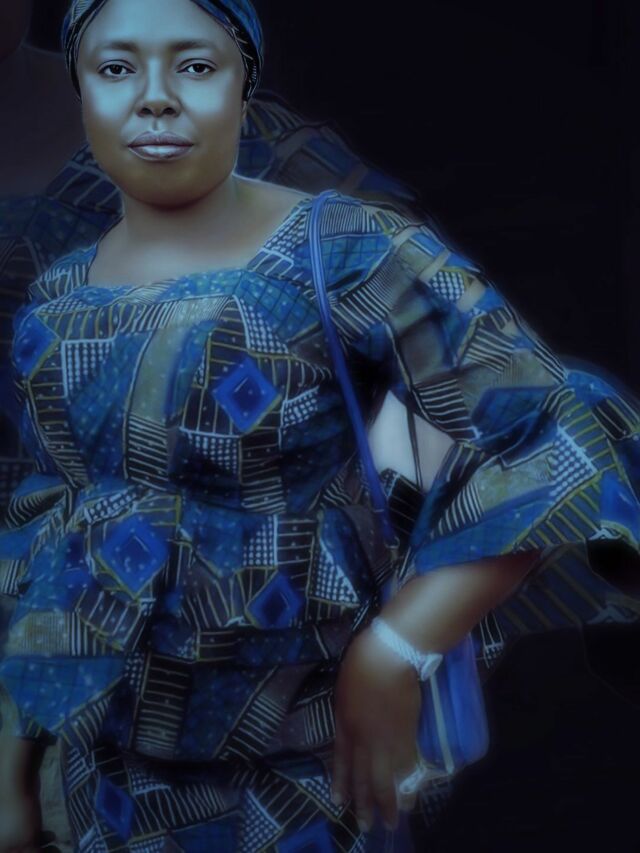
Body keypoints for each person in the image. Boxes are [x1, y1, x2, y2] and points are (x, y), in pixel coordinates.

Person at [0, 1, 639, 851]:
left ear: (244, 83)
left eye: (196, 65)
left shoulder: (343, 249)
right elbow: (49, 535)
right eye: (116, 68)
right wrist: (13, 767)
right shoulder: (60, 301)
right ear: (82, 88)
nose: (154, 96)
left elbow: (546, 431)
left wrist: (400, 646)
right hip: (108, 781)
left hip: (308, 772)